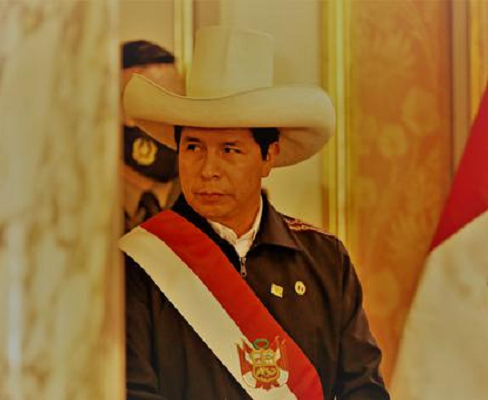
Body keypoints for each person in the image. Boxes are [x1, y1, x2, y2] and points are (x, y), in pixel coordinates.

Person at [120, 27, 389, 400]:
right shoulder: (138, 263)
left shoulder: (325, 259)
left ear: (268, 156)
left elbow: (363, 389)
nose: (208, 170)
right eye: (194, 147)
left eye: (229, 150)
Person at [120, 41, 184, 231]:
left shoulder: (209, 204)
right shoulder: (80, 208)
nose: (165, 119)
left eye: (176, 102)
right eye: (143, 105)